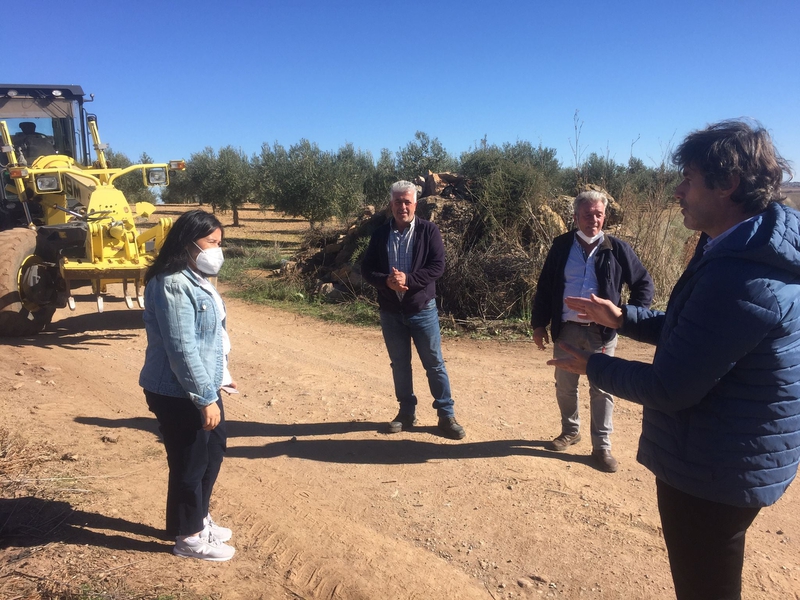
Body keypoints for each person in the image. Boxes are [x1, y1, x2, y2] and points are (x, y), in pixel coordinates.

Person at [550, 119, 800, 600]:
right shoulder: (742, 246)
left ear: (727, 184)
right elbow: (694, 333)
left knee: (705, 588)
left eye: (688, 178)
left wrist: (591, 365)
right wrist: (624, 318)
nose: (678, 191)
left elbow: (670, 387)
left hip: (715, 466)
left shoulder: (741, 276)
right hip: (731, 452)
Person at [531, 190, 654, 472]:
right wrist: (539, 324)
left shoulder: (618, 249)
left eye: (598, 214)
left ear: (605, 216)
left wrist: (627, 317)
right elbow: (545, 287)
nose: (594, 220)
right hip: (567, 330)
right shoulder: (561, 246)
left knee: (603, 389)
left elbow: (644, 284)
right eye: (587, 215)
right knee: (565, 385)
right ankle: (570, 431)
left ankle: (601, 447)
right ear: (575, 217)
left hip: (602, 334)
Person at [139, 209, 237, 561]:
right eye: (212, 243)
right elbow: (181, 348)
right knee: (190, 462)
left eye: (219, 243)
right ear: (188, 242)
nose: (217, 251)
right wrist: (204, 398)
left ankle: (197, 517)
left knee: (213, 450)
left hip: (202, 386)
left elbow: (211, 336)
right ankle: (189, 537)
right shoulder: (172, 283)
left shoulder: (195, 277)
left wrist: (221, 375)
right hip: (178, 390)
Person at [361, 180, 466, 439]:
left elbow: (437, 267)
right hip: (390, 311)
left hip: (422, 309)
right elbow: (367, 268)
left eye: (407, 202)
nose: (402, 207)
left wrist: (408, 280)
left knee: (434, 363)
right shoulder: (379, 234)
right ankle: (406, 413)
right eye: (398, 202)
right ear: (391, 205)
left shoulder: (429, 231)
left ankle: (446, 415)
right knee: (399, 364)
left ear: (415, 204)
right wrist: (385, 280)